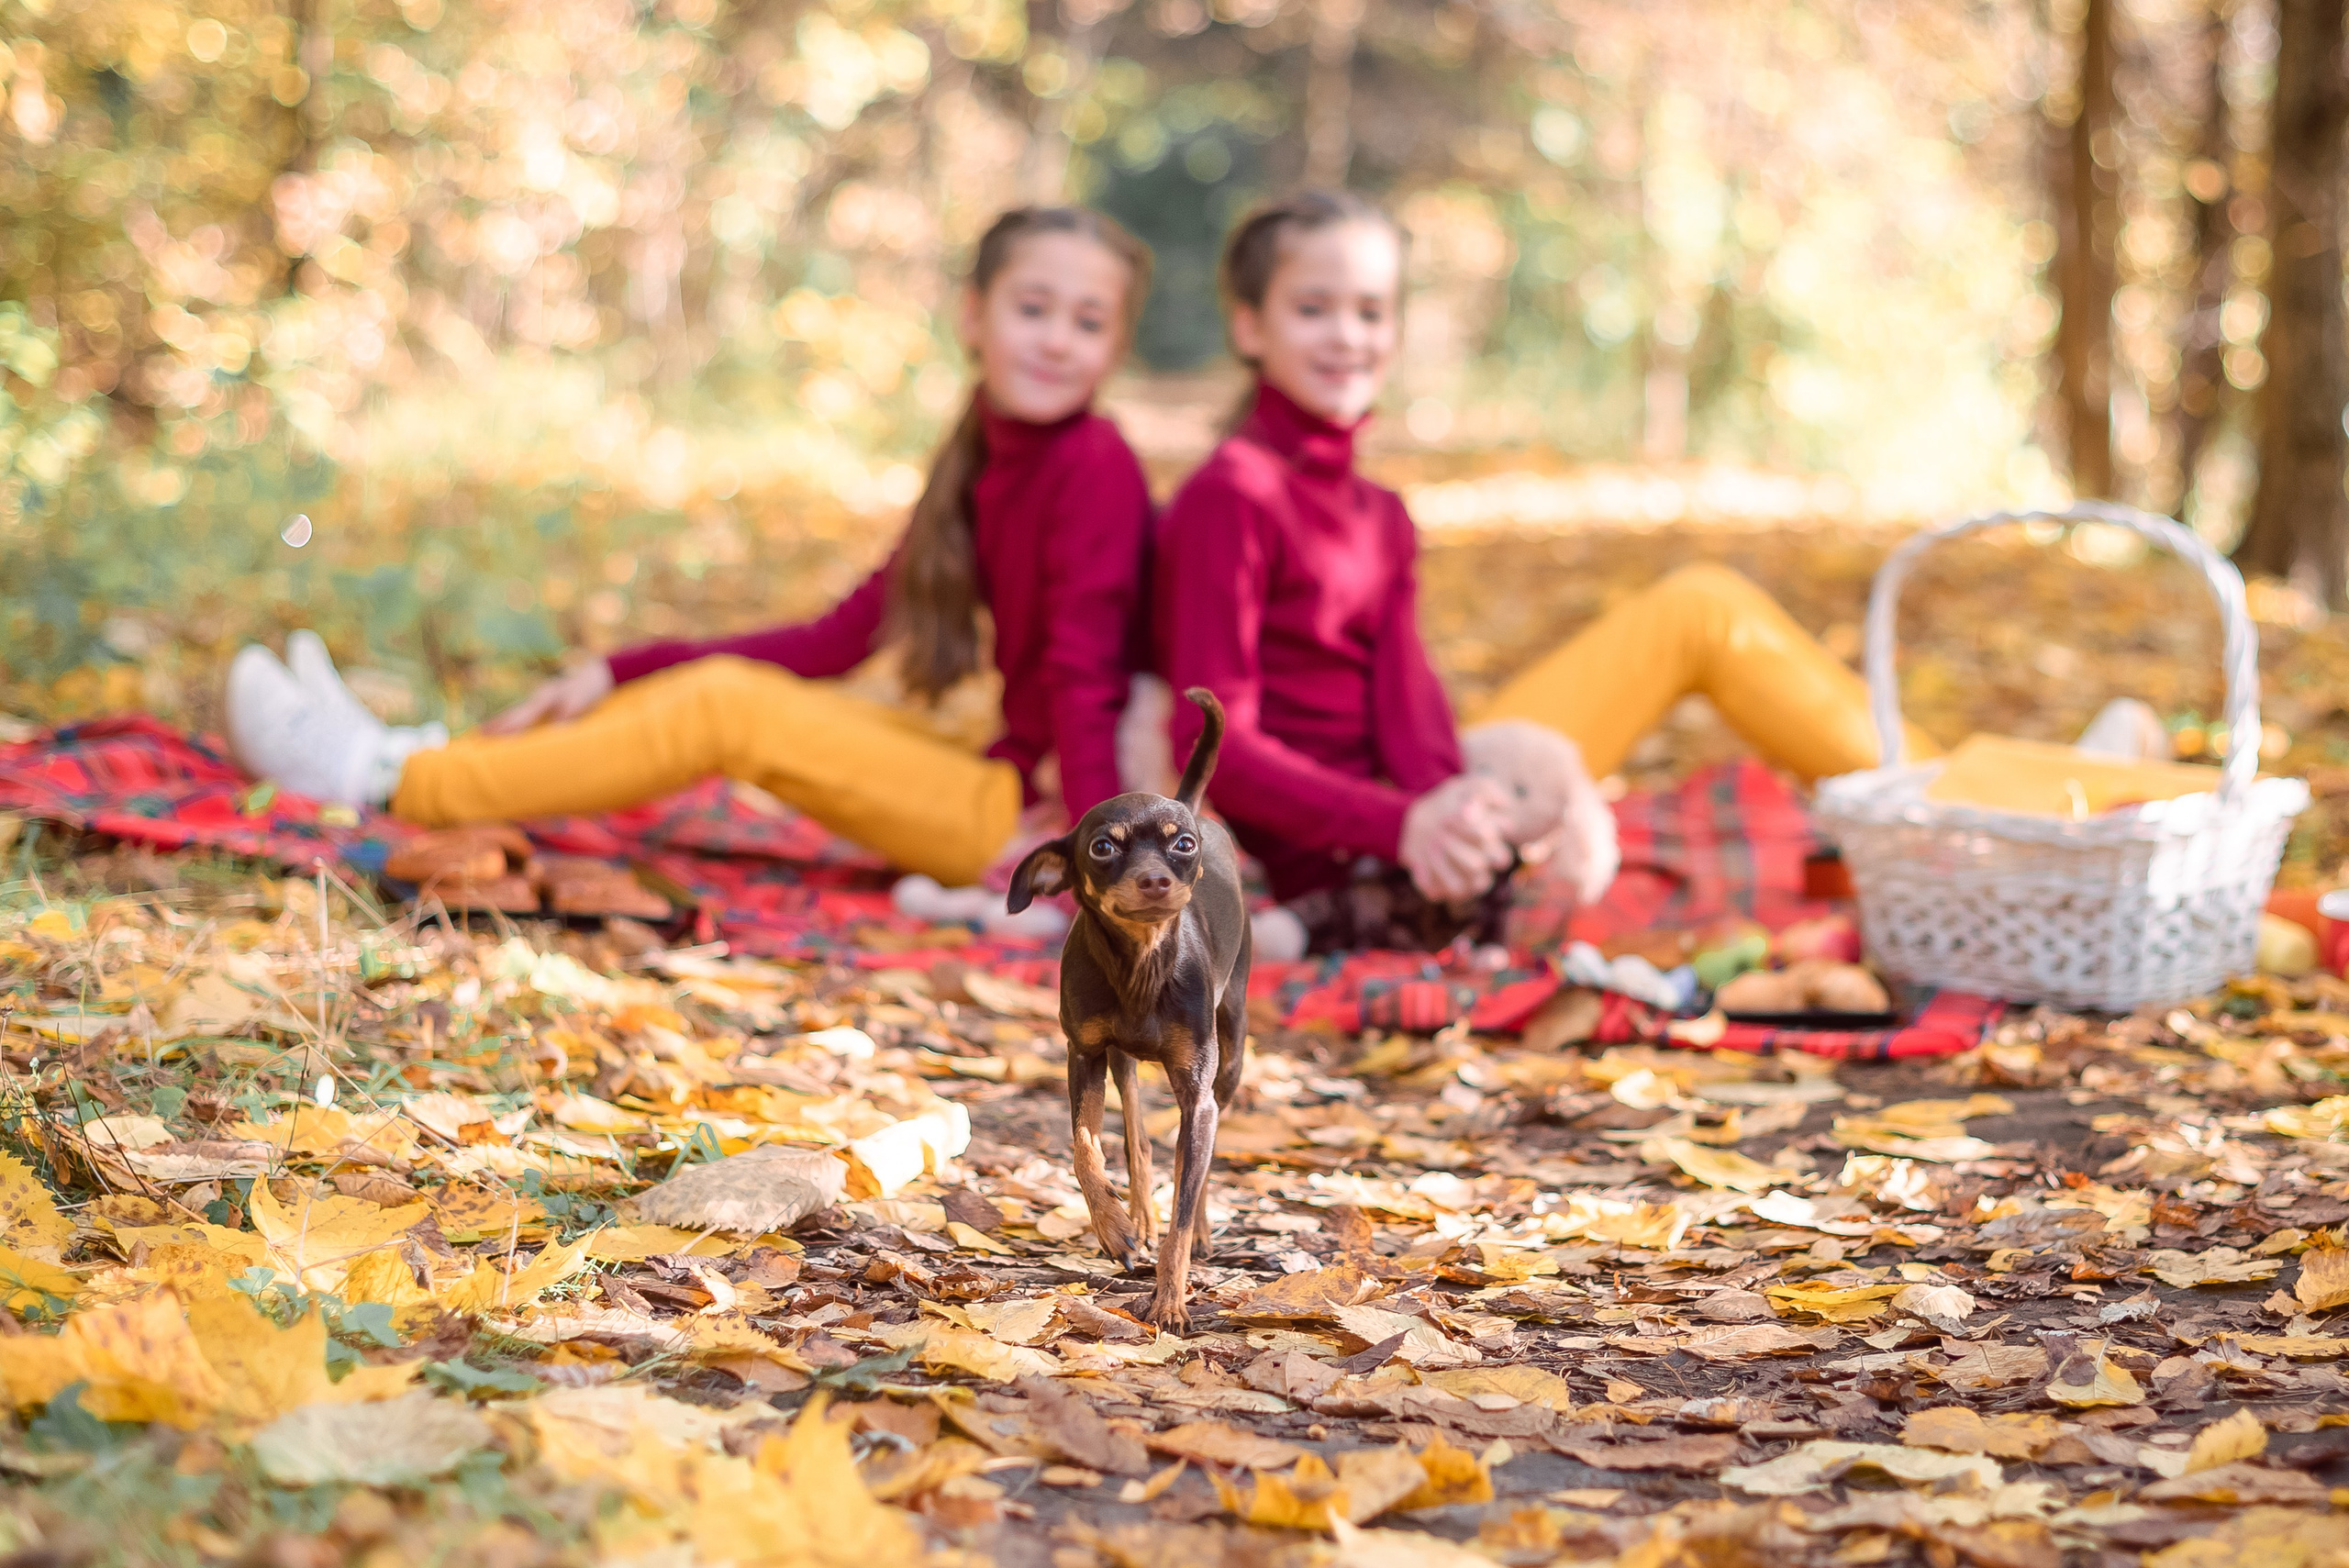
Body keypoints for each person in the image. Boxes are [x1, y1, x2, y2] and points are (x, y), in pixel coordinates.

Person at [224, 206, 1156, 890]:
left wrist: (1097, 856)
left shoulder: (1093, 465)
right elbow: (835, 642)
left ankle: (386, 777)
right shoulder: (982, 455)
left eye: (1089, 322)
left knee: (728, 709)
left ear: (1116, 347)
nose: (1058, 341)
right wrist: (620, 670)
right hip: (1016, 772)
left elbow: (1086, 671)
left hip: (1043, 823)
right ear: (972, 314)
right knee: (731, 692)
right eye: (1035, 308)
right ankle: (417, 749)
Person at [1152, 188, 1937, 943]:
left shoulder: (1380, 513)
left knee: (1708, 607)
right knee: (1703, 607)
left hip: (1424, 816)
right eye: (1312, 308)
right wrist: (1405, 825)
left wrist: (1453, 801)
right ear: (1249, 327)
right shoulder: (1233, 496)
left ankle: (1966, 807)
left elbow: (1406, 694)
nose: (1348, 336)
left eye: (1370, 311)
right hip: (1345, 848)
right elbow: (1209, 741)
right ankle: (1954, 803)